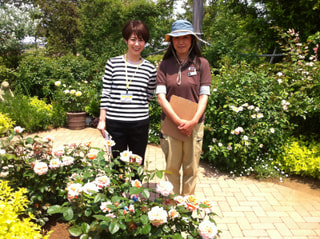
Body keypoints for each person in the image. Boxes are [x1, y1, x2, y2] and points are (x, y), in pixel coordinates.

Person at [156, 20, 212, 196]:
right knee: (171, 168)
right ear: (171, 41)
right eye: (176, 38)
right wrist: (178, 120)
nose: (181, 41)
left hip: (194, 125)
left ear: (192, 40)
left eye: (185, 37)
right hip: (171, 124)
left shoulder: (202, 64)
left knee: (191, 169)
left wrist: (193, 121)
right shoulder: (164, 65)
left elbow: (204, 95)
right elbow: (160, 97)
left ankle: (186, 208)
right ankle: (172, 207)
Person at [97, 20, 157, 168]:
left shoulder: (150, 69)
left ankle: (135, 191)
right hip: (115, 123)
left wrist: (136, 106)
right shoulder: (113, 63)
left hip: (139, 123)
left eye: (141, 40)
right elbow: (106, 92)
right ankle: (119, 192)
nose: (137, 44)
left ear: (145, 42)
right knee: (117, 164)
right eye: (133, 39)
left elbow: (150, 94)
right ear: (126, 40)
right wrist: (102, 120)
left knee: (137, 162)